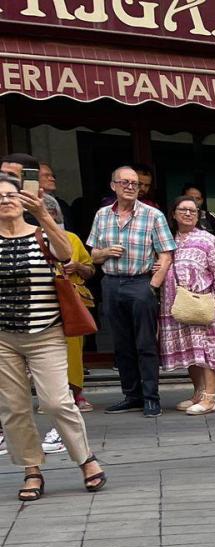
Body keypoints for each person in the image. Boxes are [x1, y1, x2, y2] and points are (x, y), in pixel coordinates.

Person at [0, 176, 106, 499]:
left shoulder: (43, 234)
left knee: (56, 401)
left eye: (11, 195)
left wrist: (44, 215)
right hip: (4, 338)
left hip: (46, 333)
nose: (5, 200)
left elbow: (64, 254)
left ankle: (85, 458)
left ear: (24, 200)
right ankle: (31, 471)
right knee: (15, 408)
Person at [88, 165, 173, 417]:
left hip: (140, 283)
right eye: (124, 182)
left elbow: (166, 254)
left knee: (146, 343)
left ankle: (151, 397)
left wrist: (152, 285)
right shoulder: (102, 215)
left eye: (134, 183)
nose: (130, 187)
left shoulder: (153, 215)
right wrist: (105, 252)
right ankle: (131, 395)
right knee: (121, 344)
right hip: (111, 283)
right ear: (113, 185)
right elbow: (92, 254)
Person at [158, 195, 215, 415]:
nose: (189, 214)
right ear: (173, 214)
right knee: (190, 350)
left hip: (201, 301)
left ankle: (210, 398)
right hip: (176, 303)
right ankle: (198, 393)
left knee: (205, 349)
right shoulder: (168, 240)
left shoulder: (207, 239)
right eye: (183, 210)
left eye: (193, 210)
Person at [42, 194, 94, 412]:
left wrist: (77, 267)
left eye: (51, 213)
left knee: (73, 350)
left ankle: (76, 393)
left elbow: (90, 270)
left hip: (71, 302)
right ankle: (50, 397)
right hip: (42, 304)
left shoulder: (71, 238)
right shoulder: (27, 238)